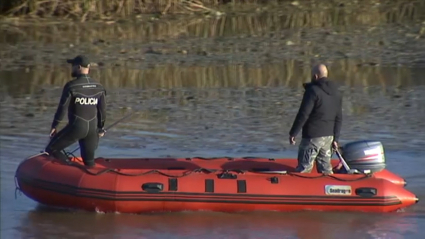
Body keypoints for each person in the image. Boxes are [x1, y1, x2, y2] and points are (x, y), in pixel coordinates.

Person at [45, 55, 107, 167]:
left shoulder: (71, 86)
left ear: (78, 67)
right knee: (89, 162)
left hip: (77, 128)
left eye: (72, 66)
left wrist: (55, 125)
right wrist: (101, 128)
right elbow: (102, 111)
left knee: (51, 149)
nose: (71, 68)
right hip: (92, 130)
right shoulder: (99, 87)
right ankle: (89, 179)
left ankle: (73, 168)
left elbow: (62, 108)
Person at [288, 64, 342, 175]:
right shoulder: (337, 92)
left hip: (312, 137)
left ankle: (300, 190)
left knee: (304, 169)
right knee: (326, 170)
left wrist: (293, 133)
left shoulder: (312, 91)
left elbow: (304, 114)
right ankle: (329, 189)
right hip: (328, 138)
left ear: (315, 76)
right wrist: (336, 138)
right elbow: (339, 117)